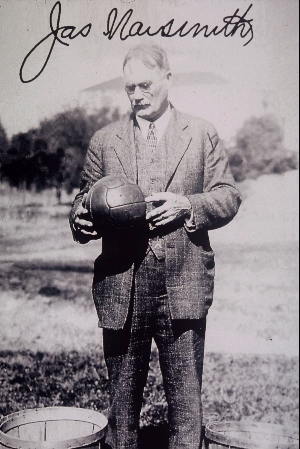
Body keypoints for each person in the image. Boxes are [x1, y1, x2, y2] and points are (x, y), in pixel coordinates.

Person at [70, 44, 241, 449]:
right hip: (121, 289)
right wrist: (80, 217)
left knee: (186, 411)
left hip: (184, 286)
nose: (136, 95)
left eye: (145, 85)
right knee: (122, 414)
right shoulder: (104, 140)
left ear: (168, 78)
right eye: (129, 88)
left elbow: (229, 196)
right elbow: (81, 201)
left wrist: (187, 205)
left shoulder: (201, 133)